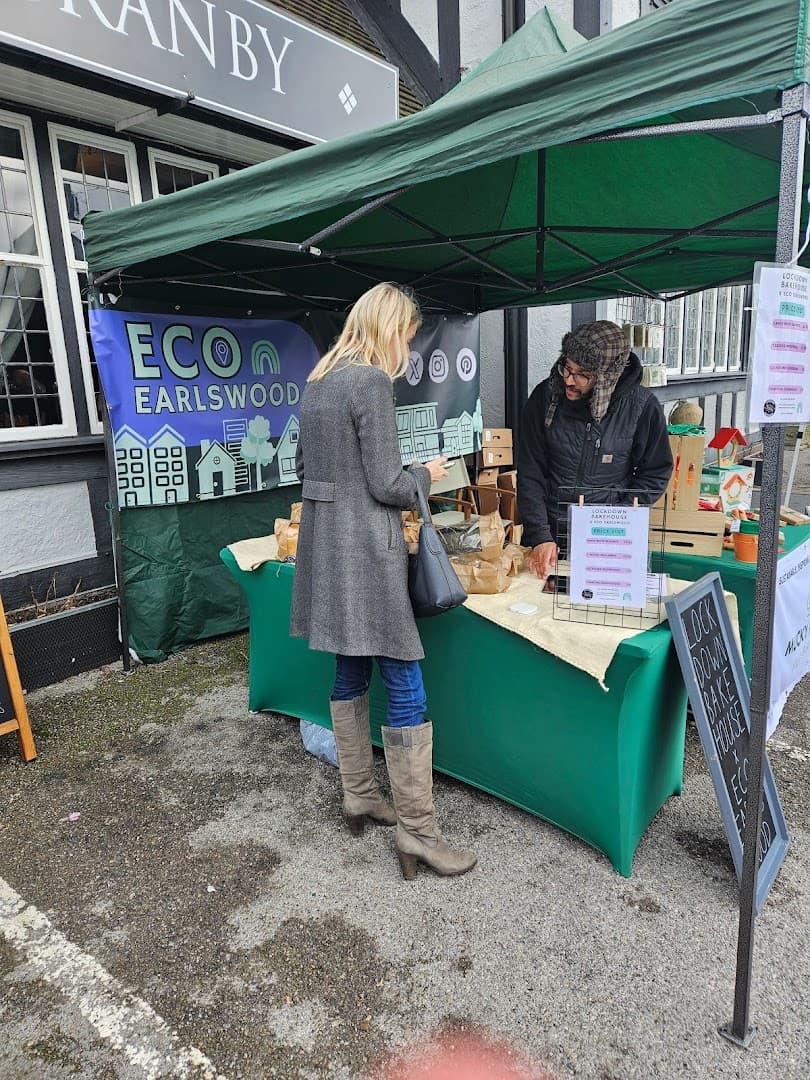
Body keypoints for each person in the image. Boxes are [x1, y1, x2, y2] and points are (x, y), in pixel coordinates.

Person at [290, 282, 477, 881]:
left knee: (350, 667)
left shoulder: (320, 380)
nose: (408, 347)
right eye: (408, 335)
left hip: (327, 550)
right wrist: (424, 473)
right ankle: (418, 831)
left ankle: (360, 795)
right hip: (367, 554)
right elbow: (386, 484)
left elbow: (306, 470)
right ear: (390, 329)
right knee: (405, 679)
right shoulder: (370, 381)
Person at [517, 320, 673, 580]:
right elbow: (530, 471)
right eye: (567, 368)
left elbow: (656, 472)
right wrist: (540, 534)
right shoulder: (544, 397)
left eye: (583, 375)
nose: (569, 380)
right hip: (551, 532)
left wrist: (616, 519)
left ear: (608, 376)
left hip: (609, 536)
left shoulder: (642, 407)